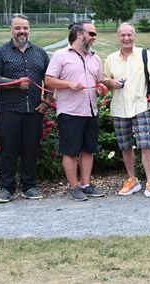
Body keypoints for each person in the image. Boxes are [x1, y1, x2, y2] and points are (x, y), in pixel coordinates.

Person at [0, 14, 52, 203]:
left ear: (29, 29)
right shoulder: (0, 53)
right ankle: (6, 188)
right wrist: (16, 83)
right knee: (8, 149)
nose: (22, 31)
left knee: (31, 148)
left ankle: (29, 186)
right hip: (8, 110)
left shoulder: (39, 53)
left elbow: (49, 80)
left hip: (33, 110)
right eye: (17, 28)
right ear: (11, 29)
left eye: (25, 28)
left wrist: (46, 102)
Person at [44, 21, 107, 201]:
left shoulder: (95, 57)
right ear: (80, 34)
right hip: (70, 112)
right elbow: (49, 80)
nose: (94, 38)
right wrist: (69, 84)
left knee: (88, 149)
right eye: (92, 34)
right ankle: (74, 187)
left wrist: (101, 87)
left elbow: (99, 81)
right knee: (70, 151)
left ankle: (86, 184)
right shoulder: (61, 55)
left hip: (91, 111)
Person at [103, 23, 150, 199]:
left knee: (146, 145)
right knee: (125, 146)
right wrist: (110, 83)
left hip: (140, 107)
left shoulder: (144, 54)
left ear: (134, 36)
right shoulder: (111, 58)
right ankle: (132, 180)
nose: (126, 38)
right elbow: (105, 79)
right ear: (118, 37)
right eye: (123, 35)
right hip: (119, 108)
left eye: (129, 35)